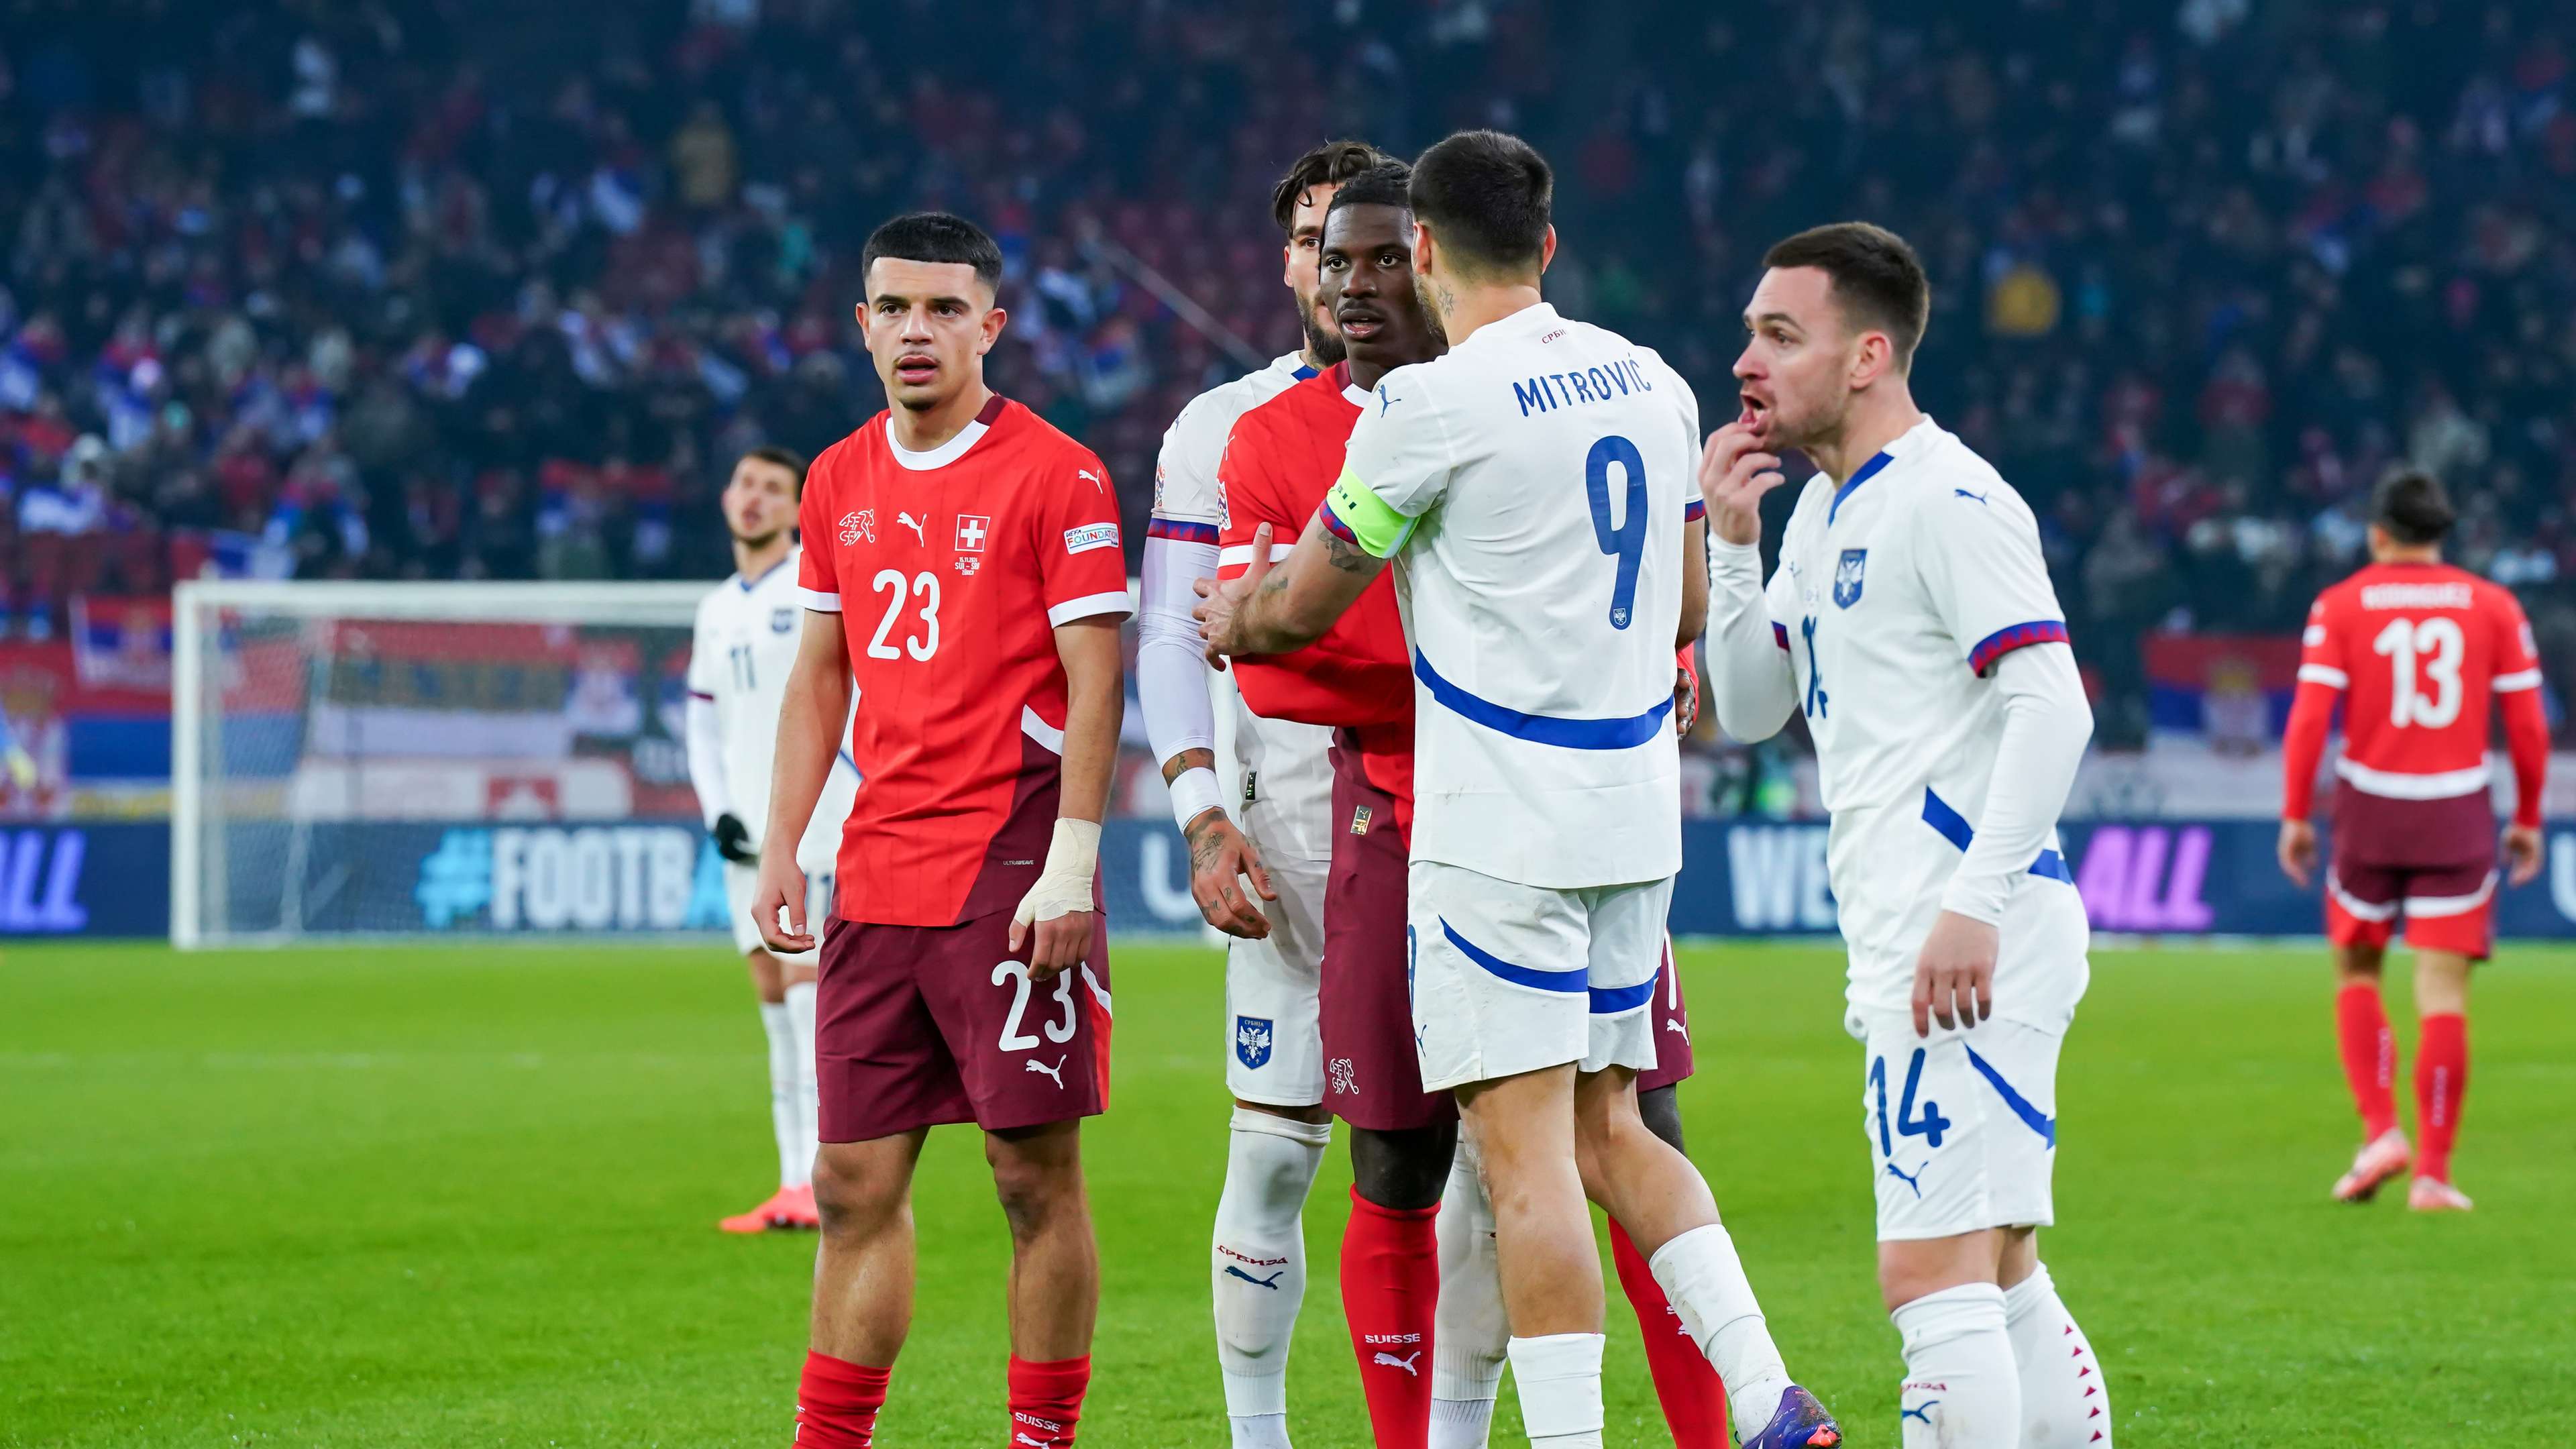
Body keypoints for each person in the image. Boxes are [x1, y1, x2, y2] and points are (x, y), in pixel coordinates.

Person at [1200, 130, 1835, 1449]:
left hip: (1498, 836)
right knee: (1614, 1125)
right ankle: (1770, 1393)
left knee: (1525, 1159)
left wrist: (1232, 613)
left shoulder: (1427, 411)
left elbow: (1300, 606)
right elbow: (1685, 604)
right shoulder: (1649, 383)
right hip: (1632, 824)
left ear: (1422, 252)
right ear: (1546, 246)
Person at [1701, 221, 2109, 1448]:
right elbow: (1755, 706)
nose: (1747, 362)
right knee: (1996, 1265)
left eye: (1781, 335)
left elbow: (2055, 703)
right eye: (1748, 334)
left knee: (1928, 1279)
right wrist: (1732, 549)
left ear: (1869, 354)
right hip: (1922, 933)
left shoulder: (1950, 496)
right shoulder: (1828, 514)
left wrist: (1972, 904)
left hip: (1964, 939)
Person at [751, 212, 1129, 1449]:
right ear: (862, 325)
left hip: (1013, 863)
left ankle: (1040, 1440)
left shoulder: (1059, 472)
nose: (919, 331)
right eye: (896, 309)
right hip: (879, 867)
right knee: (854, 1183)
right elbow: (820, 676)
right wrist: (783, 846)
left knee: (1031, 1174)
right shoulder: (837, 476)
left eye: (945, 309)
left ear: (992, 327)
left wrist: (1075, 857)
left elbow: (1096, 676)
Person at [1136, 138, 1394, 1449]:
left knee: (1454, 1168)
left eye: (1354, 240)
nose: (1329, 264)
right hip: (1280, 827)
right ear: (1288, 258)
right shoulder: (1218, 429)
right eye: (1309, 239)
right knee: (1279, 1149)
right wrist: (1197, 809)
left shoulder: (1458, 403)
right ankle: (1259, 1436)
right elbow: (1173, 637)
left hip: (1441, 815)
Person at [2276, 468, 2548, 1213]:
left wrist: (2296, 813)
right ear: (2442, 534)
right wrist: (2528, 816)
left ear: (2377, 533)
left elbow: (2308, 720)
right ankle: (2432, 1173)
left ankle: (2379, 1132)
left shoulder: (2342, 604)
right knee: (2444, 991)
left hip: (2370, 808)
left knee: (2358, 970)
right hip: (2457, 809)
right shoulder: (2494, 606)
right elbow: (2526, 726)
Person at [684, 444, 860, 1234]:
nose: (752, 498)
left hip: (817, 829)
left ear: (796, 510)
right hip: (745, 840)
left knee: (806, 1003)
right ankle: (793, 1181)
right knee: (772, 1003)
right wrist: (718, 808)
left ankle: (824, 1181)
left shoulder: (814, 588)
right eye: (744, 483)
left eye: (771, 489)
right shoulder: (717, 607)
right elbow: (700, 719)